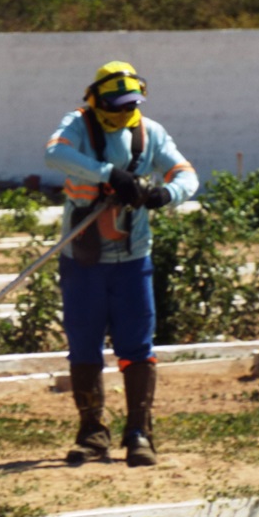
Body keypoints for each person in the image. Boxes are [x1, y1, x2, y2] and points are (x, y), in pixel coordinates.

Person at [44, 61, 199, 467]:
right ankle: (92, 433)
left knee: (137, 346)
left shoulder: (150, 132)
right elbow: (55, 153)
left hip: (133, 258)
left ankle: (139, 434)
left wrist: (165, 196)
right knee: (84, 344)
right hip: (83, 256)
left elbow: (186, 174)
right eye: (114, 105)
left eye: (129, 104)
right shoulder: (77, 124)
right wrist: (108, 173)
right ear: (95, 99)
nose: (121, 112)